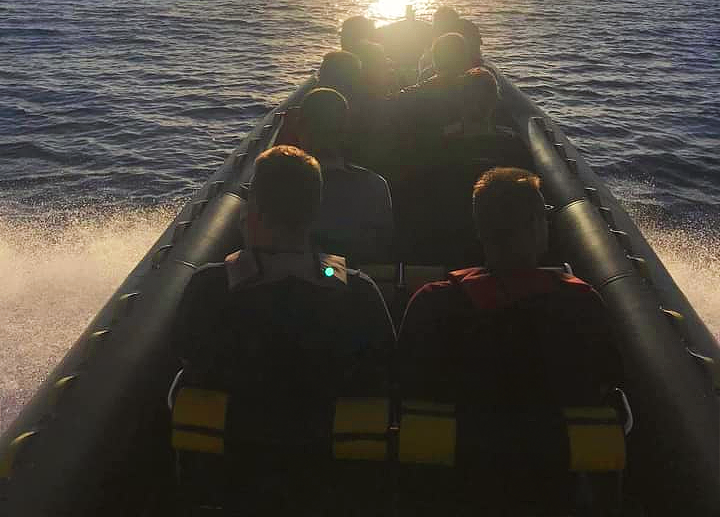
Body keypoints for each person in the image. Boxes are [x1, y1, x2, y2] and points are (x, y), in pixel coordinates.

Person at [171, 145, 395, 470]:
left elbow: (184, 352)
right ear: (316, 210)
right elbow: (384, 370)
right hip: (327, 474)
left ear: (253, 209)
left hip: (232, 470)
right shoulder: (359, 292)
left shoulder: (210, 287)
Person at [397, 167, 623, 448]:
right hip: (552, 474)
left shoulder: (431, 305)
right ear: (536, 227)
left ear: (480, 229)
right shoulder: (582, 306)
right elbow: (601, 386)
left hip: (453, 474)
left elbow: (407, 387)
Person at [297, 88, 393, 262]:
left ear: (301, 127)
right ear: (345, 131)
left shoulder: (278, 187)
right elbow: (383, 246)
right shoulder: (375, 186)